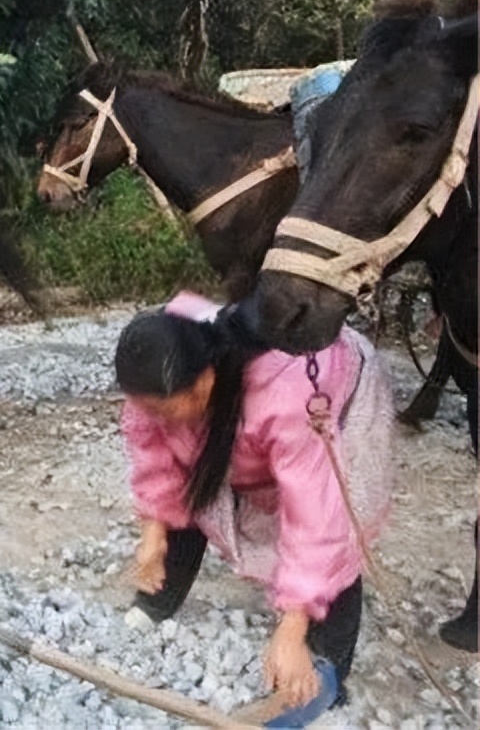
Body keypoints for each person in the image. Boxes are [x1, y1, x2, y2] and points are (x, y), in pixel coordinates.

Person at [114, 291, 394, 720]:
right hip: (238, 408)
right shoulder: (164, 363)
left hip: (334, 396)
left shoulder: (287, 394)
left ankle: (327, 670)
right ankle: (159, 597)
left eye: (165, 409)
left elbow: (315, 515)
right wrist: (152, 535)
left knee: (336, 530)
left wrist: (292, 625)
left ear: (205, 380)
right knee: (194, 474)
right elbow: (152, 449)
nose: (157, 417)